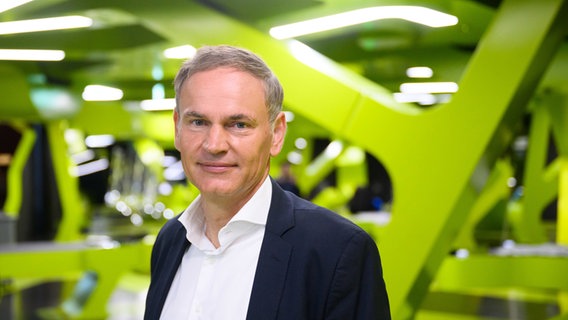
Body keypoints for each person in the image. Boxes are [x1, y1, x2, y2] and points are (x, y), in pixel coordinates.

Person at [144, 45, 391, 320]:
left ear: (276, 134)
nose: (214, 144)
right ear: (177, 127)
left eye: (238, 124)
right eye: (198, 122)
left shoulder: (338, 251)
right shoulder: (170, 240)